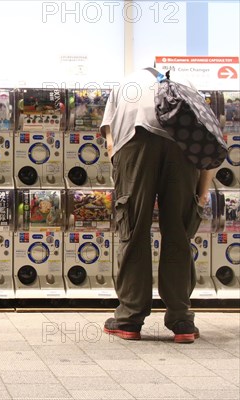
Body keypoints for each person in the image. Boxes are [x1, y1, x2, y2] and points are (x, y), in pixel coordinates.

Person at [100, 68, 215, 344]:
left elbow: (111, 143)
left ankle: (129, 319)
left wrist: (124, 179)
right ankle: (182, 321)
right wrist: (200, 196)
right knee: (178, 233)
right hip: (183, 144)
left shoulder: (123, 86)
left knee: (134, 228)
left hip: (135, 141)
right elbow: (211, 145)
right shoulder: (188, 87)